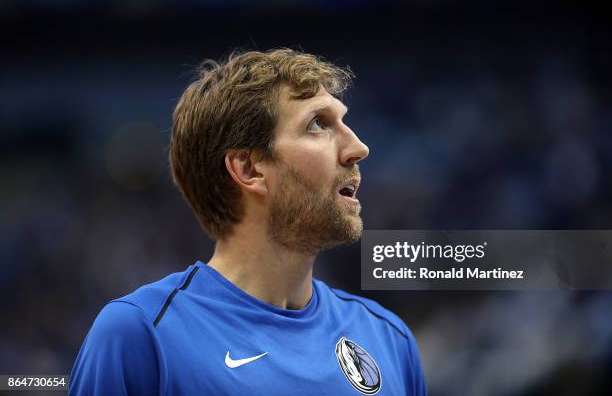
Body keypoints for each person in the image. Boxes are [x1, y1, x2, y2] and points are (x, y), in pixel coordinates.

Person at [69, 48, 427, 395]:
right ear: (249, 169)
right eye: (318, 124)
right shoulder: (141, 334)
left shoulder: (389, 339)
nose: (358, 147)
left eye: (343, 121)